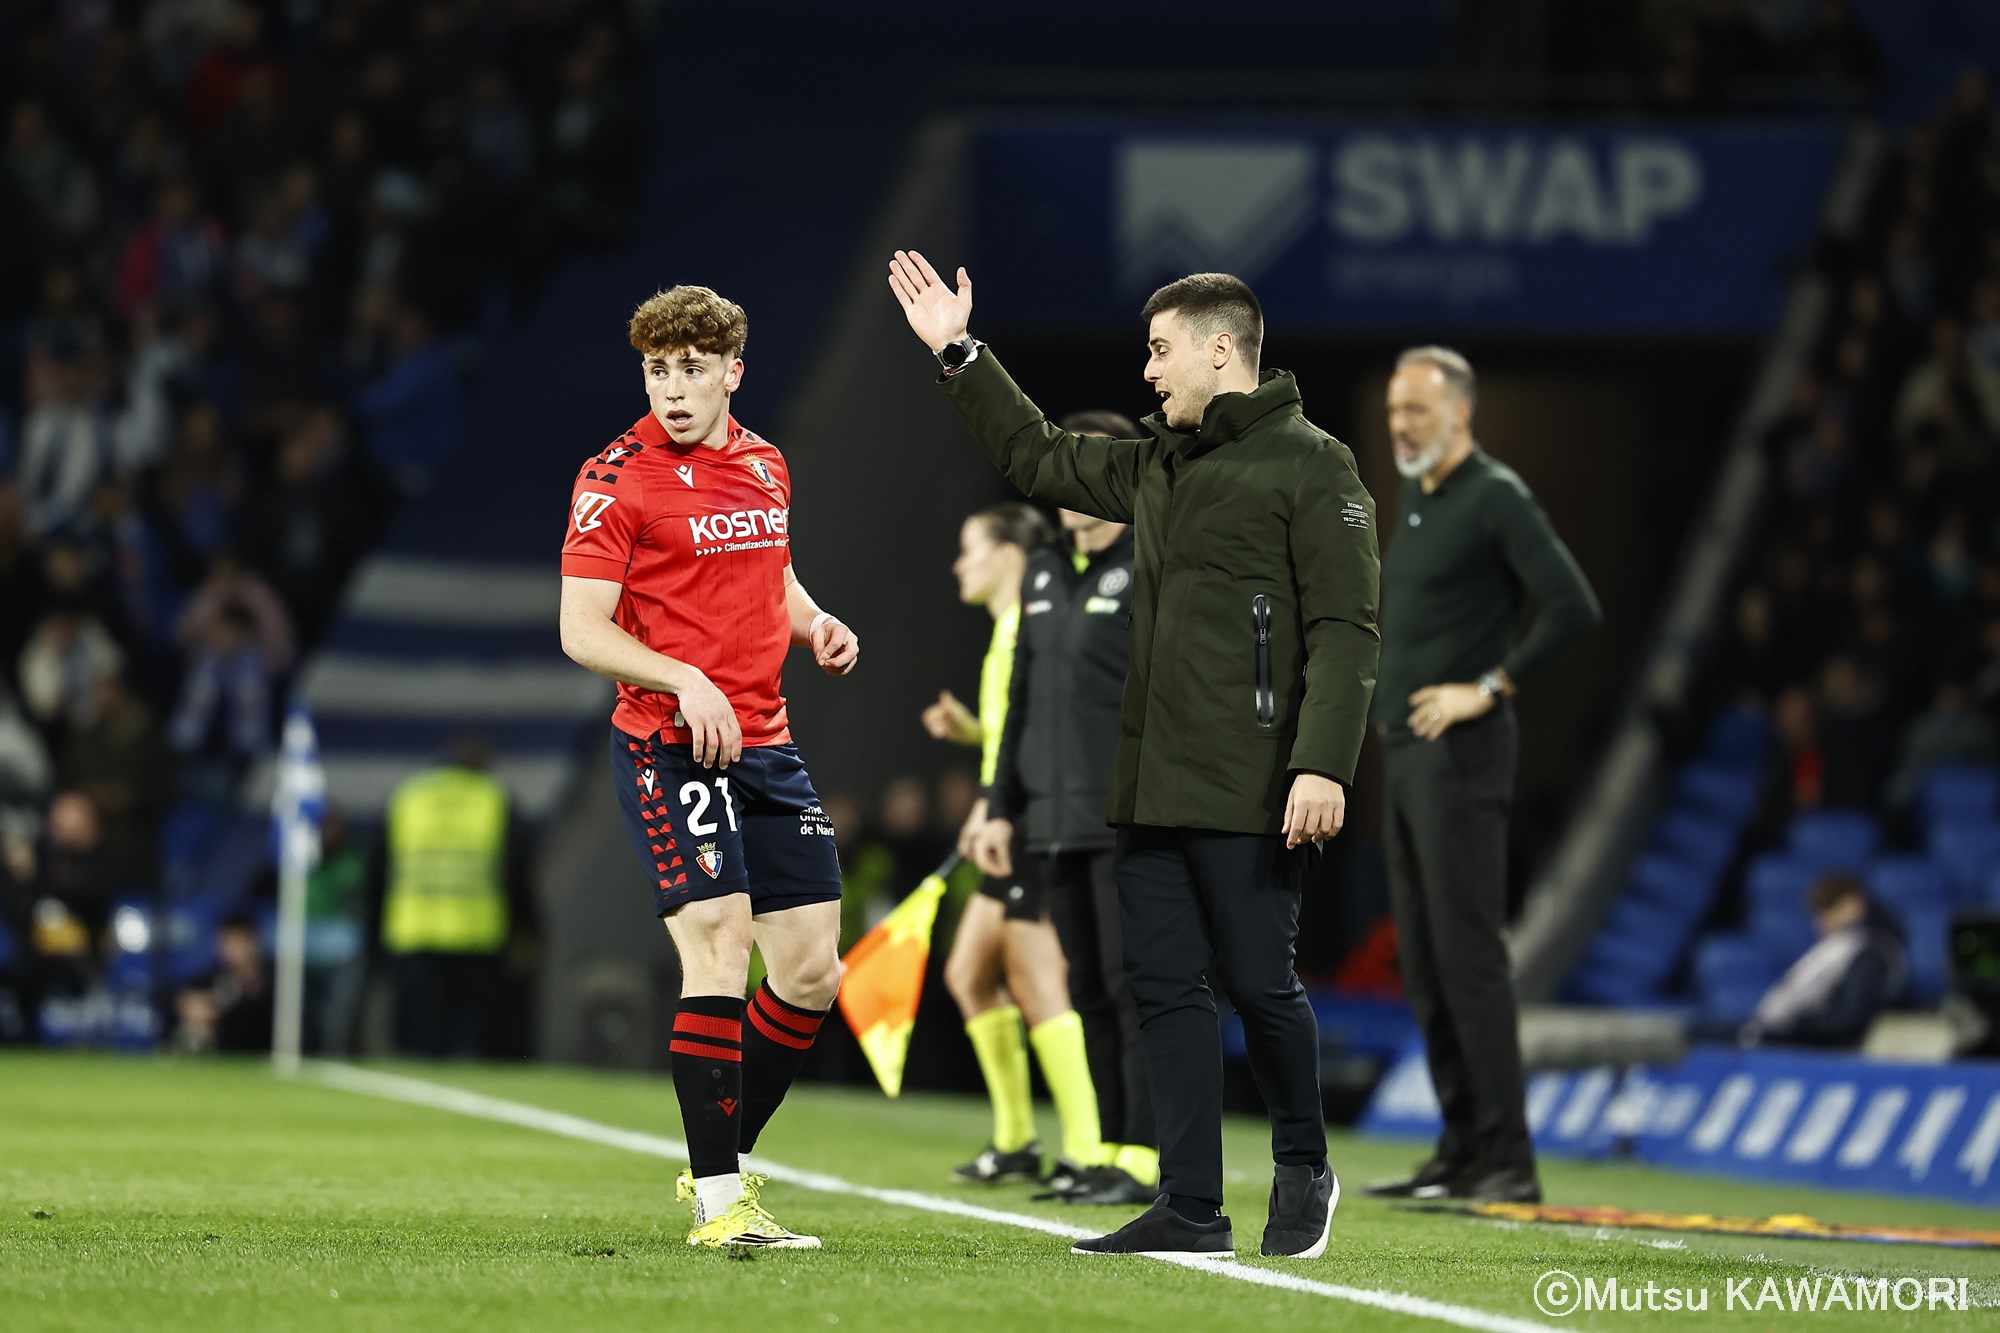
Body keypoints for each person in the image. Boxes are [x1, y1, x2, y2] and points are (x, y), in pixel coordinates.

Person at [888, 254, 1380, 1260]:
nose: (1147, 373)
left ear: (1217, 348)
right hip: (1148, 787)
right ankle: (1190, 1205)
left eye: (1159, 352)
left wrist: (1321, 762)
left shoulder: (1314, 464)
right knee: (1159, 987)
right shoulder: (1153, 465)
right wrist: (958, 352)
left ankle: (1302, 1160)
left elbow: (1345, 627)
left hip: (1253, 783)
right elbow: (1036, 457)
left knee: (1258, 982)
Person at [558, 285, 860, 1251]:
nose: (674, 388)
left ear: (733, 371)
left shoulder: (766, 464)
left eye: (693, 368)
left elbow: (773, 570)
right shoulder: (617, 478)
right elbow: (581, 629)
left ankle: (716, 1155)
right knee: (721, 941)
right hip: (667, 740)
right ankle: (724, 1202)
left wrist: (813, 622)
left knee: (813, 969)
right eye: (658, 369)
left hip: (764, 738)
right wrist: (683, 677)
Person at [1363, 347, 1600, 1206]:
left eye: (1418, 410)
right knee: (1423, 962)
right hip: (1406, 753)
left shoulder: (1496, 494)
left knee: (1467, 959)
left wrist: (1488, 686)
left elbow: (1574, 603)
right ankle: (1463, 1146)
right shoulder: (1419, 499)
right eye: (1395, 409)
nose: (1401, 424)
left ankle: (1509, 1157)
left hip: (1459, 757)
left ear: (1462, 413)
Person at [974, 417, 1160, 1206]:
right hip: (1048, 820)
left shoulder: (1150, 563)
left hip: (1123, 815)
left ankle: (1146, 1157)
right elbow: (1019, 701)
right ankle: (1106, 1152)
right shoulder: (1047, 569)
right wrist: (997, 804)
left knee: (1132, 986)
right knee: (1086, 988)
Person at [924, 501, 1105, 1192]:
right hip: (1011, 814)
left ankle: (1088, 1145)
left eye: (969, 549)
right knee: (969, 973)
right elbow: (1014, 731)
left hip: (1029, 821)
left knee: (1035, 978)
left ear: (1006, 555)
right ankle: (1017, 1139)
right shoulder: (1008, 630)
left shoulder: (1034, 624)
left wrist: (988, 809)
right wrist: (973, 733)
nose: (957, 564)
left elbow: (1048, 736)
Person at [376, 736, 531, 1060]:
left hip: (415, 927)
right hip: (477, 930)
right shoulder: (493, 797)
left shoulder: (410, 795)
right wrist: (527, 928)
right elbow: (515, 869)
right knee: (473, 1038)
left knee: (422, 1039)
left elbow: (380, 866)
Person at [1739, 873, 1906, 1049]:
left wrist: (1795, 1026)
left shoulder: (1870, 953)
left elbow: (1850, 1018)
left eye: (1828, 910)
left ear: (1853, 905)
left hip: (1834, 1053)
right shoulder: (1837, 947)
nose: (1820, 922)